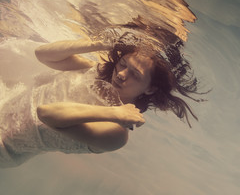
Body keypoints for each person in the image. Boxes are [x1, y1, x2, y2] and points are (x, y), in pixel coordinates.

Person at [0, 33, 199, 168]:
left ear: (151, 88)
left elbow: (46, 113)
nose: (121, 74)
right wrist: (99, 43)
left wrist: (114, 113)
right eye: (122, 63)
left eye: (134, 74)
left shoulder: (115, 133)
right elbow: (42, 54)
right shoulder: (92, 71)